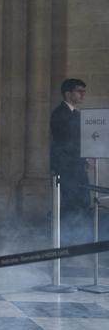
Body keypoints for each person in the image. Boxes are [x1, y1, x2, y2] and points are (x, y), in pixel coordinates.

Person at [50, 78, 92, 244]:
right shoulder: (60, 113)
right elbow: (65, 142)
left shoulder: (76, 113)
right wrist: (85, 155)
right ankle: (68, 240)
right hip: (67, 167)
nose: (83, 94)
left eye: (84, 91)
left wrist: (86, 157)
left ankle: (79, 238)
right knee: (71, 203)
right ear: (68, 93)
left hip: (76, 165)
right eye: (79, 91)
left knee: (82, 201)